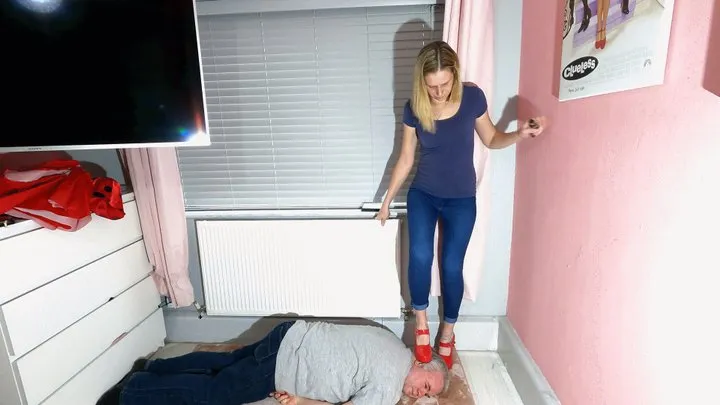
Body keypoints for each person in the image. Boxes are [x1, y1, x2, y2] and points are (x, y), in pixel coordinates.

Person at [375, 40, 546, 368]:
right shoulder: (415, 107)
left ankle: (448, 331)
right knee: (421, 255)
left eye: (444, 84)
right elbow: (406, 157)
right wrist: (386, 201)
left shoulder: (472, 98)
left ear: (455, 74)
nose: (438, 93)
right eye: (431, 86)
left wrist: (519, 134)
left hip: (461, 198)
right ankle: (422, 322)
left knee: (452, 265)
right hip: (423, 193)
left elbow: (492, 139)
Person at [96, 320, 450, 405]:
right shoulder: (389, 389)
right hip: (282, 367)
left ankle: (152, 367)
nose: (420, 394)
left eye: (425, 396)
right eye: (427, 387)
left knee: (228, 361)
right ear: (425, 364)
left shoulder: (390, 339)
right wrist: (302, 400)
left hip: (288, 334)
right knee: (214, 392)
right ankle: (134, 391)